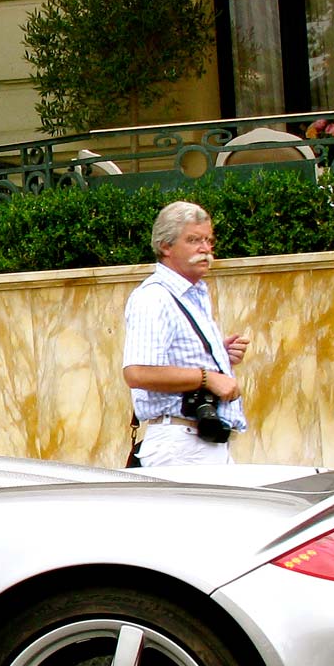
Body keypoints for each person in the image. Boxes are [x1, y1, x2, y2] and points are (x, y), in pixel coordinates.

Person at [121, 200, 250, 468]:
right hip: (181, 442)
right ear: (165, 246)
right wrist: (207, 378)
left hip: (200, 439)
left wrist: (217, 355)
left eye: (209, 240)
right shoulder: (154, 297)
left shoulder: (192, 294)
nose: (205, 249)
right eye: (194, 240)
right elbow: (137, 373)